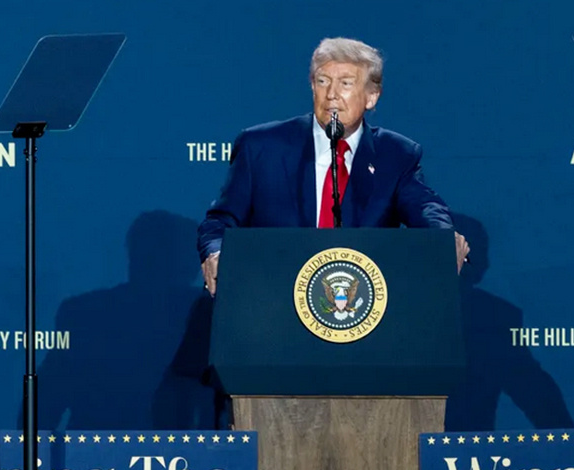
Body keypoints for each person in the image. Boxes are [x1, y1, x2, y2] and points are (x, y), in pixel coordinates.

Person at [197, 36, 469, 296]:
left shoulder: (395, 154)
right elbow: (221, 220)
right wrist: (217, 253)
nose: (332, 95)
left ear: (372, 96)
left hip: (359, 307)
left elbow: (426, 208)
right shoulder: (261, 147)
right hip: (272, 298)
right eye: (322, 81)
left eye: (346, 83)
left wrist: (443, 240)